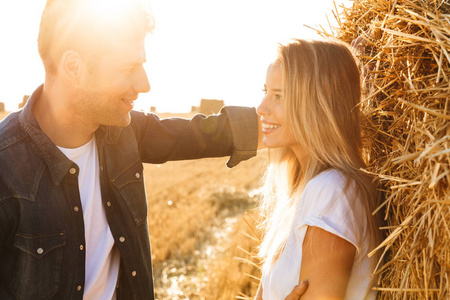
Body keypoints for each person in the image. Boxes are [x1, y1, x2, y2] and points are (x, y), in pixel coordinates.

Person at [0, 0, 307, 299]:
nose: (144, 84)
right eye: (128, 67)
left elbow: (207, 134)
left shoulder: (124, 133)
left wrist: (309, 115)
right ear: (73, 66)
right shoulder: (5, 167)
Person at [254, 39, 381, 299]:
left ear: (316, 104)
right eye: (265, 91)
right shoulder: (304, 191)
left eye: (279, 96)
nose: (261, 108)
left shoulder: (332, 193)